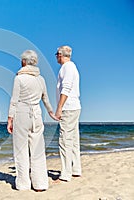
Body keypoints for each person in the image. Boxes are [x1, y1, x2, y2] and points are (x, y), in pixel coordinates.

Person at [7, 50, 58, 192]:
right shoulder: (40, 79)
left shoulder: (19, 78)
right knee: (37, 150)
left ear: (24, 62)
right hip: (37, 114)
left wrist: (10, 119)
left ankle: (23, 184)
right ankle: (40, 184)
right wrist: (51, 112)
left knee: (21, 150)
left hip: (22, 114)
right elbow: (45, 98)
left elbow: (14, 100)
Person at [54, 45, 81, 182]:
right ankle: (76, 169)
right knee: (73, 139)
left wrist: (59, 108)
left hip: (69, 108)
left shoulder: (67, 68)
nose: (56, 57)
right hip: (73, 107)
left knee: (65, 140)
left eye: (56, 54)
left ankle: (66, 173)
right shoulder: (70, 67)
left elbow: (66, 88)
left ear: (60, 54)